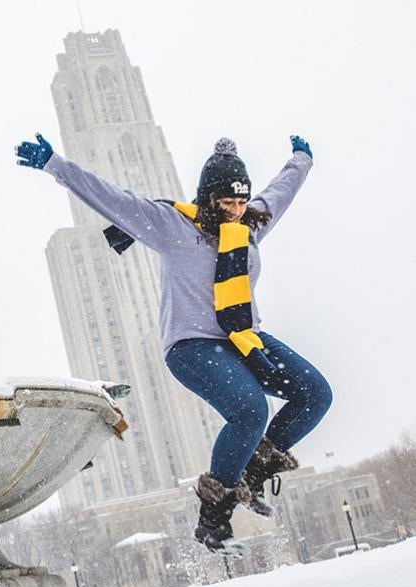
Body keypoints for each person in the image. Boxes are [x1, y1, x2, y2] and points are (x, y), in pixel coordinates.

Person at [16, 132, 332, 556]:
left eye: (242, 202)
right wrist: (55, 163)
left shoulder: (250, 224)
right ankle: (213, 518)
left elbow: (281, 192)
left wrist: (301, 159)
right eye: (227, 204)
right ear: (208, 199)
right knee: (249, 408)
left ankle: (255, 467)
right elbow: (113, 199)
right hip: (192, 345)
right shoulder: (174, 228)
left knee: (314, 393)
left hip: (243, 337)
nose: (237, 212)